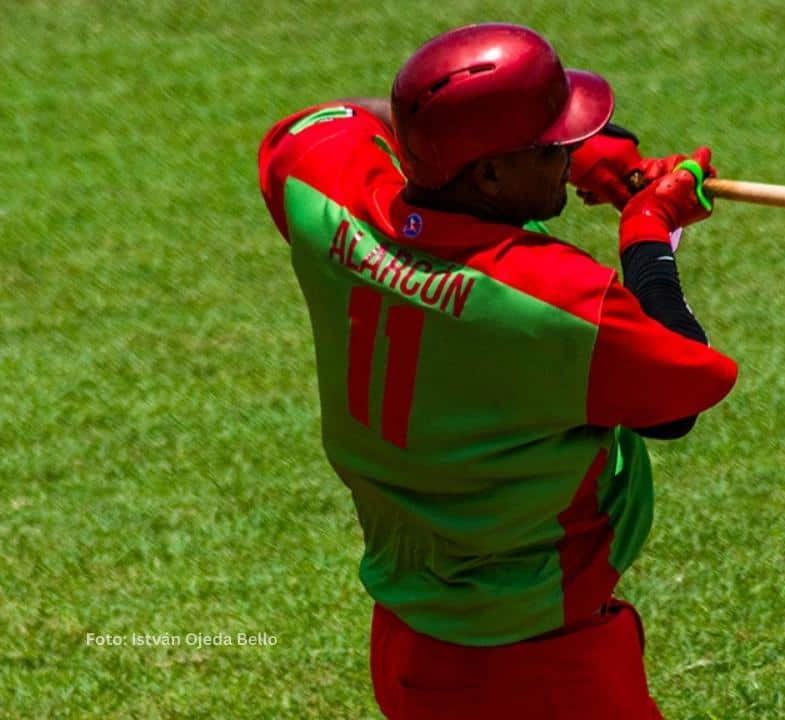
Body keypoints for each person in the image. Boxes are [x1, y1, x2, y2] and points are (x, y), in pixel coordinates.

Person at [257, 22, 736, 719]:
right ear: (486, 172)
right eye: (551, 146)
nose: (568, 148)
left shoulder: (325, 194)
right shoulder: (553, 301)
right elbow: (681, 398)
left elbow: (338, 118)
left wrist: (567, 160)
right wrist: (649, 233)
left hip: (413, 643)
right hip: (536, 667)